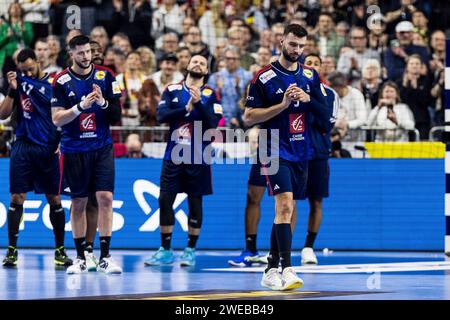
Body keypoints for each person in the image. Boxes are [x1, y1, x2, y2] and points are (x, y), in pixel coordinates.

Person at [243, 24, 329, 291]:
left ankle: (270, 267)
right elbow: (248, 117)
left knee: (287, 209)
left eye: (302, 46)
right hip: (272, 148)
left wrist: (306, 99)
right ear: (281, 42)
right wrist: (281, 105)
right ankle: (287, 268)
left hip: (301, 150)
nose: (297, 50)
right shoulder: (264, 77)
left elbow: (326, 117)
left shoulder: (310, 76)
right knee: (284, 205)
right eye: (293, 44)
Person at [51, 35, 122, 274]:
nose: (85, 56)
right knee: (79, 202)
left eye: (88, 52)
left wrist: (102, 103)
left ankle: (105, 256)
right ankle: (81, 257)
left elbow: (116, 114)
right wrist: (80, 107)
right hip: (74, 149)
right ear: (71, 54)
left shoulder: (106, 75)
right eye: (80, 53)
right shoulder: (60, 80)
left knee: (105, 198)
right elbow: (56, 118)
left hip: (101, 147)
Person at [144, 55, 222, 267]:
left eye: (202, 63)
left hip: (199, 157)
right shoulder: (171, 90)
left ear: (206, 71)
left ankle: (190, 250)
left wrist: (198, 105)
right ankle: (165, 250)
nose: (197, 64)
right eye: (194, 61)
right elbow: (161, 116)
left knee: (195, 202)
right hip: (173, 156)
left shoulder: (211, 94)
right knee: (164, 199)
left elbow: (213, 124)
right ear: (187, 66)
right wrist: (186, 109)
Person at [0, 49, 71, 267]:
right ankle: (11, 251)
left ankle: (60, 251)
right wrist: (12, 91)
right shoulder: (17, 84)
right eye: (23, 71)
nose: (28, 74)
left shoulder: (54, 83)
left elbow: (66, 115)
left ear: (38, 62)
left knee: (54, 199)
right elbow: (2, 115)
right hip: (23, 146)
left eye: (30, 69)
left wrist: (62, 140)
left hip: (48, 149)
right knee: (16, 198)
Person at [299, 53, 337, 265]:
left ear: (321, 69)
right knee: (289, 200)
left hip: (318, 154)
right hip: (294, 152)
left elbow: (326, 124)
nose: (312, 66)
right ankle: (283, 249)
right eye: (308, 63)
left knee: (316, 201)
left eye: (316, 64)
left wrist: (310, 100)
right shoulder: (291, 88)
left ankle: (308, 247)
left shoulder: (329, 94)